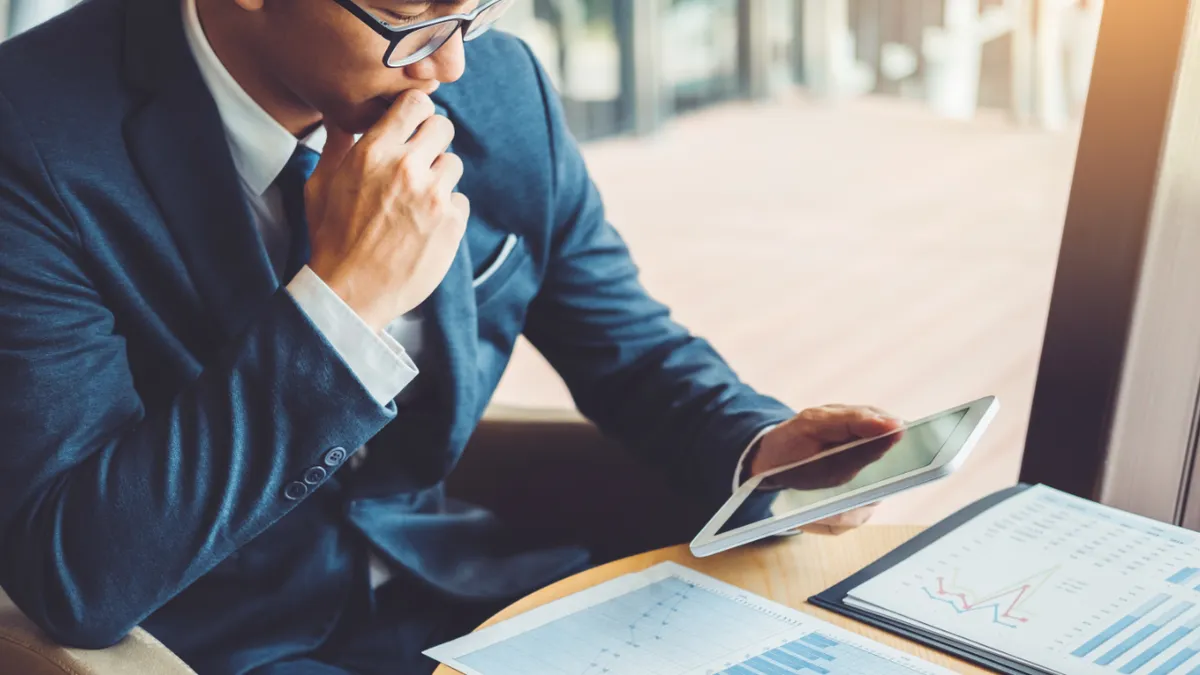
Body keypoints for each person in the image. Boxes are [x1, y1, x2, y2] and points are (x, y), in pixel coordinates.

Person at [0, 1, 903, 673]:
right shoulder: (29, 140)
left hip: (471, 596)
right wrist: (341, 305)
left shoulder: (502, 91)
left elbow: (628, 346)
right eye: (413, 20)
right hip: (221, 644)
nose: (454, 66)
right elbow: (79, 573)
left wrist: (757, 444)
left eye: (472, 11)